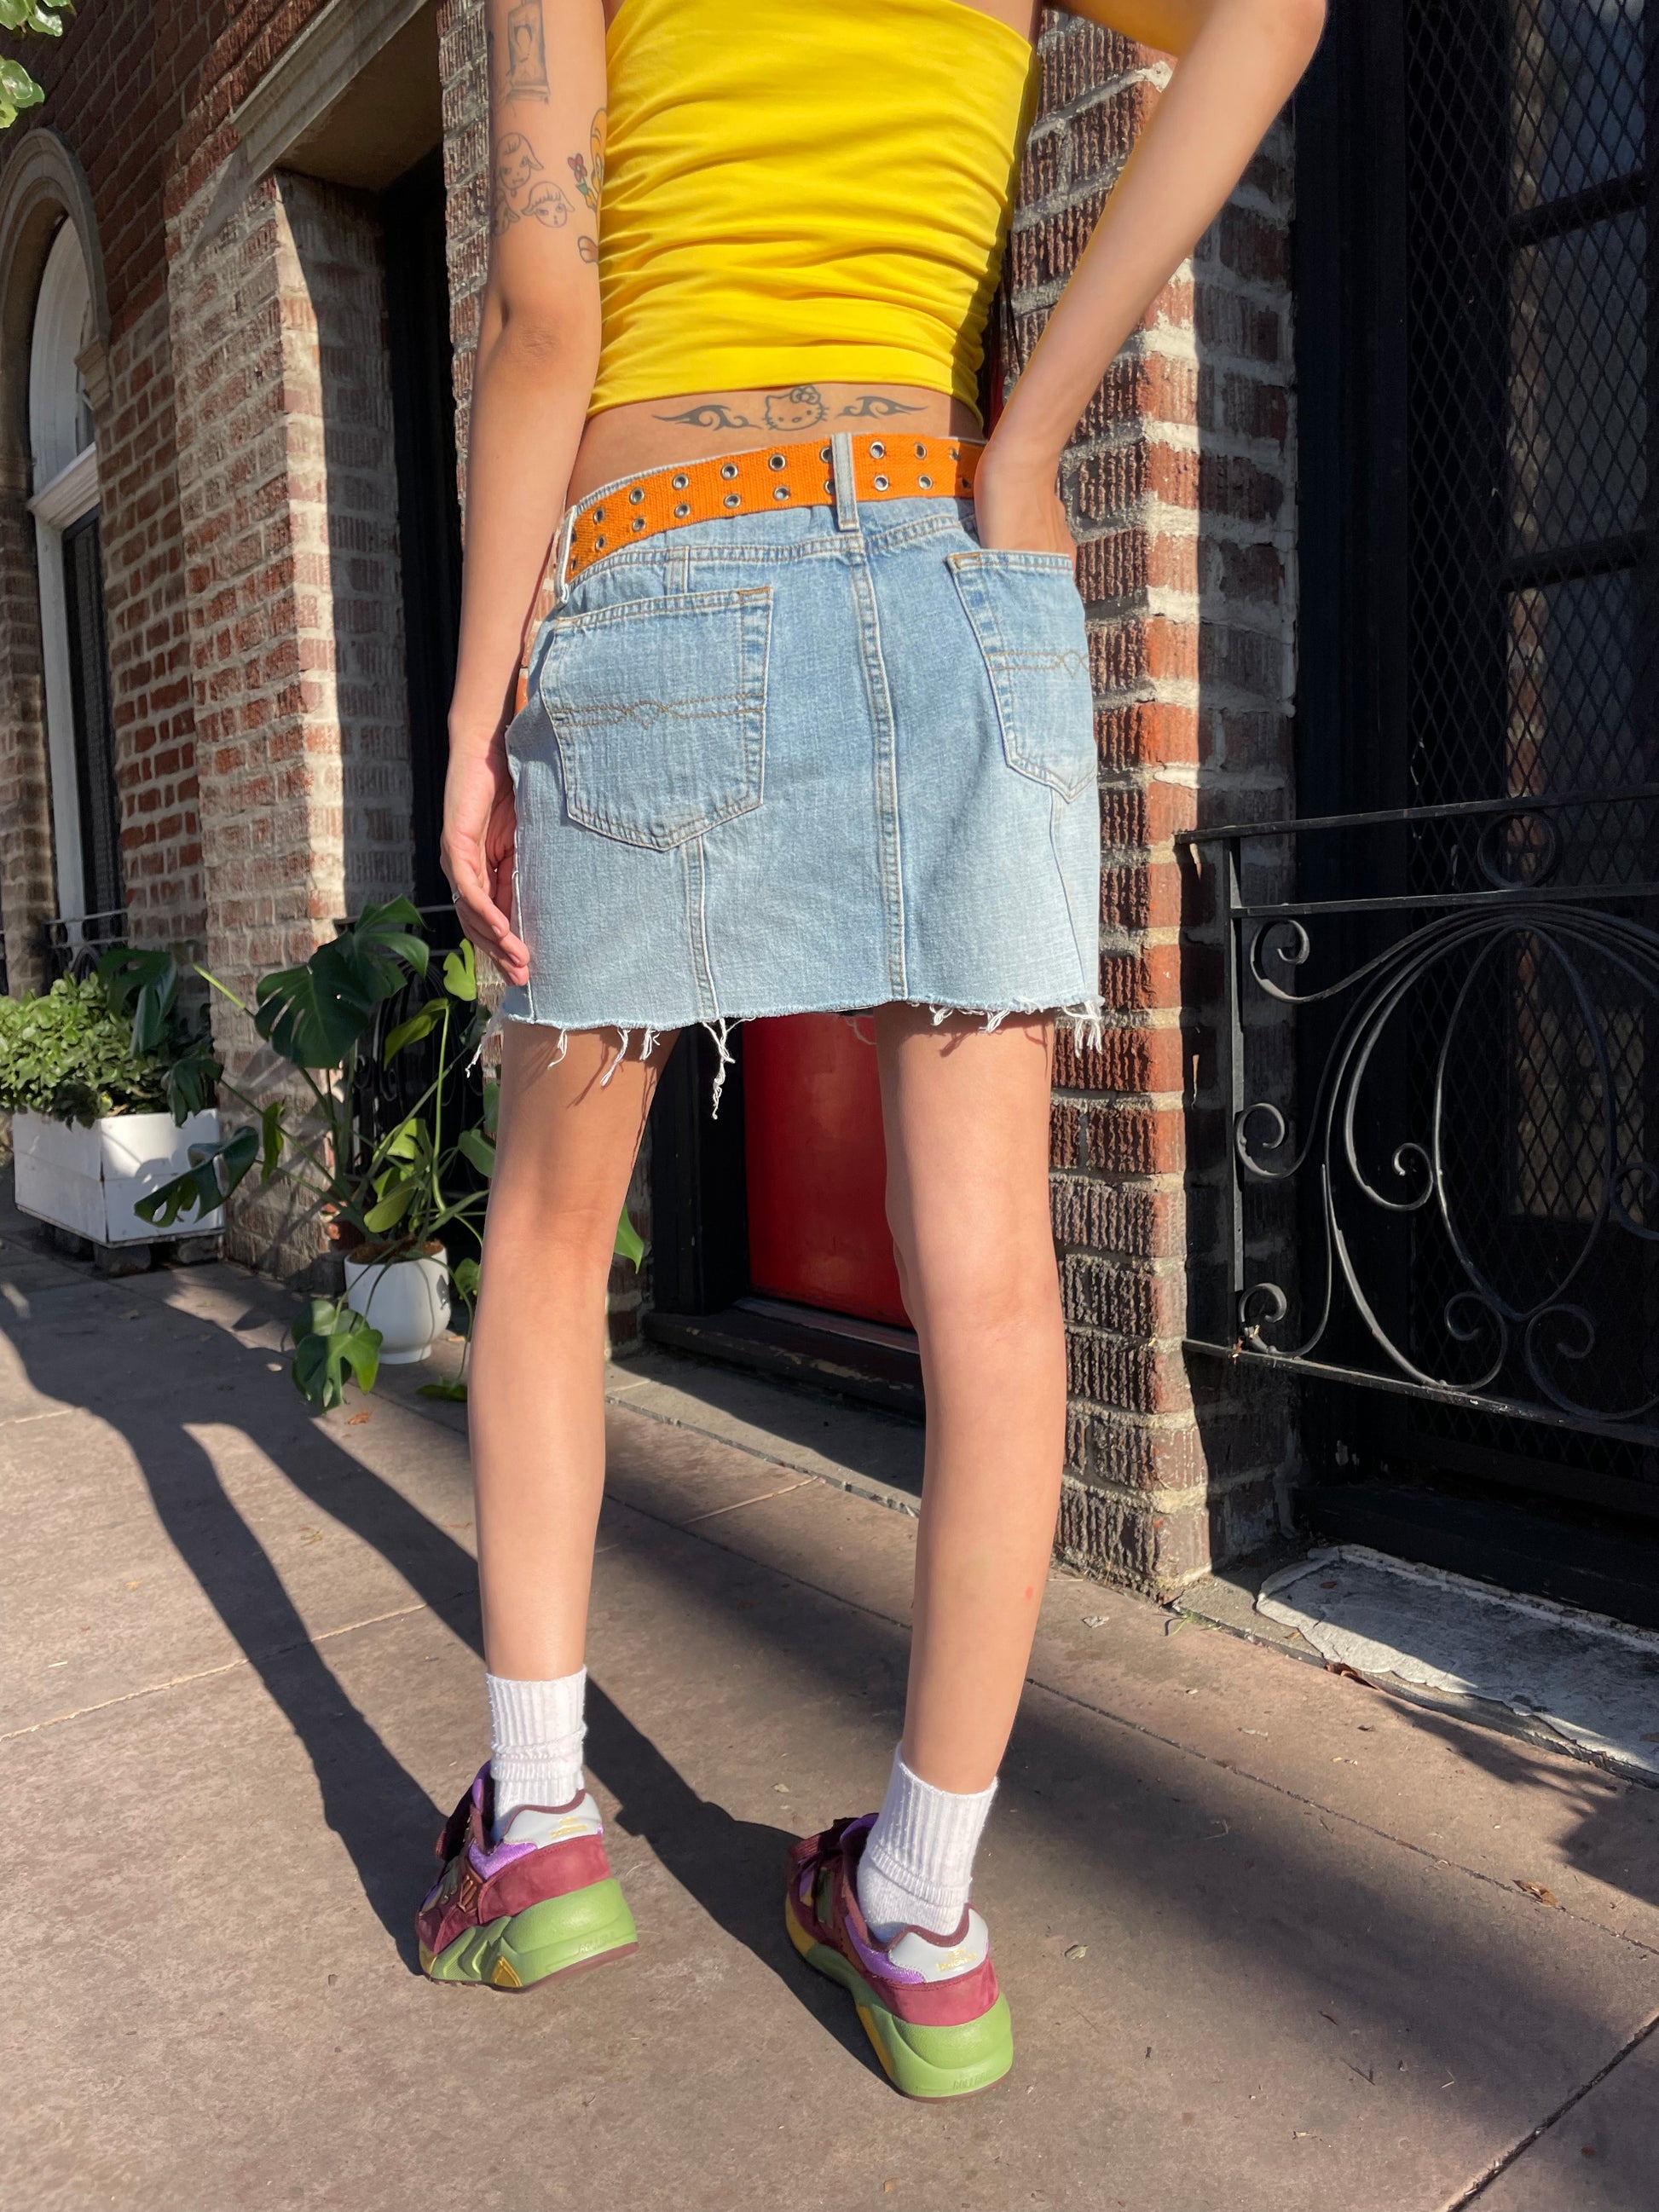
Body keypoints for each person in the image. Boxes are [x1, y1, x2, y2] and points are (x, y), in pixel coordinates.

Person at [418, 0, 1324, 2097]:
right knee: (995, 1278)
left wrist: (476, 715)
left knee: (553, 1235)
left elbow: (545, 303)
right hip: (949, 563)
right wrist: (1034, 433)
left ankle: (538, 1822)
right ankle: (919, 1909)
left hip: (651, 570)